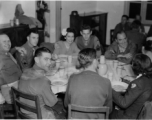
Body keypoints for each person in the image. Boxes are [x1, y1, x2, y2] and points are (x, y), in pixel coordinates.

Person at [64, 48, 112, 119]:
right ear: (95, 61)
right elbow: (109, 109)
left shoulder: (72, 78)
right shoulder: (106, 82)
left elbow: (66, 104)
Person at [18, 47, 58, 119]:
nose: (49, 63)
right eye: (46, 59)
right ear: (36, 59)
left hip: (23, 111)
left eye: (50, 59)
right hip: (37, 115)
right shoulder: (43, 81)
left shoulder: (25, 72)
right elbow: (52, 103)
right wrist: (54, 96)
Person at [110, 54, 152, 119]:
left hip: (129, 116)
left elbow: (124, 103)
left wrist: (110, 89)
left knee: (109, 109)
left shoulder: (138, 83)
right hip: (141, 112)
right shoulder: (148, 78)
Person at [0, 34, 22, 104]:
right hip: (12, 94)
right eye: (4, 41)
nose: (8, 43)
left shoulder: (7, 53)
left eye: (8, 41)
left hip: (19, 88)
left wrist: (16, 48)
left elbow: (9, 52)